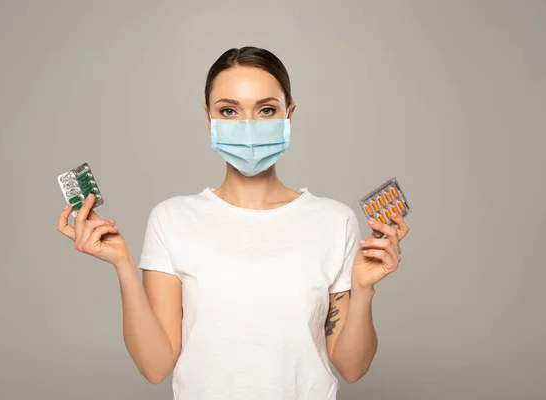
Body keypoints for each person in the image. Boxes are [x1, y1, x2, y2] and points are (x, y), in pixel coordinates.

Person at [57, 46, 410, 400]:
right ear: (209, 119)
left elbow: (352, 368)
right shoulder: (172, 219)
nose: (248, 127)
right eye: (228, 110)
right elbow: (156, 367)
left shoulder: (334, 220)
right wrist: (122, 264)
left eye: (266, 110)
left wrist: (363, 289)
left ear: (289, 114)